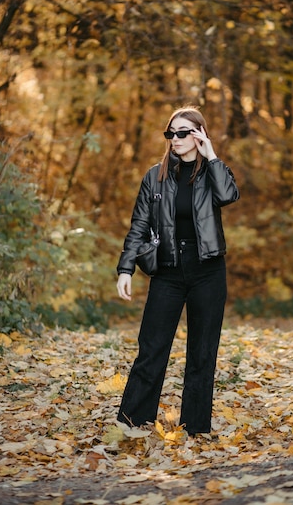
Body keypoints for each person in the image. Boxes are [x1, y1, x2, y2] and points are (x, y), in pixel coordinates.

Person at [116, 106, 240, 437]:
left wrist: (211, 154)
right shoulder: (154, 176)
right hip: (168, 272)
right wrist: (126, 269)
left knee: (202, 354)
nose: (175, 139)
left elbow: (228, 196)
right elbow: (139, 225)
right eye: (171, 133)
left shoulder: (213, 172)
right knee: (151, 350)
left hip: (208, 271)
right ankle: (131, 427)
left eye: (183, 132)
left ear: (199, 133)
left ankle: (196, 430)